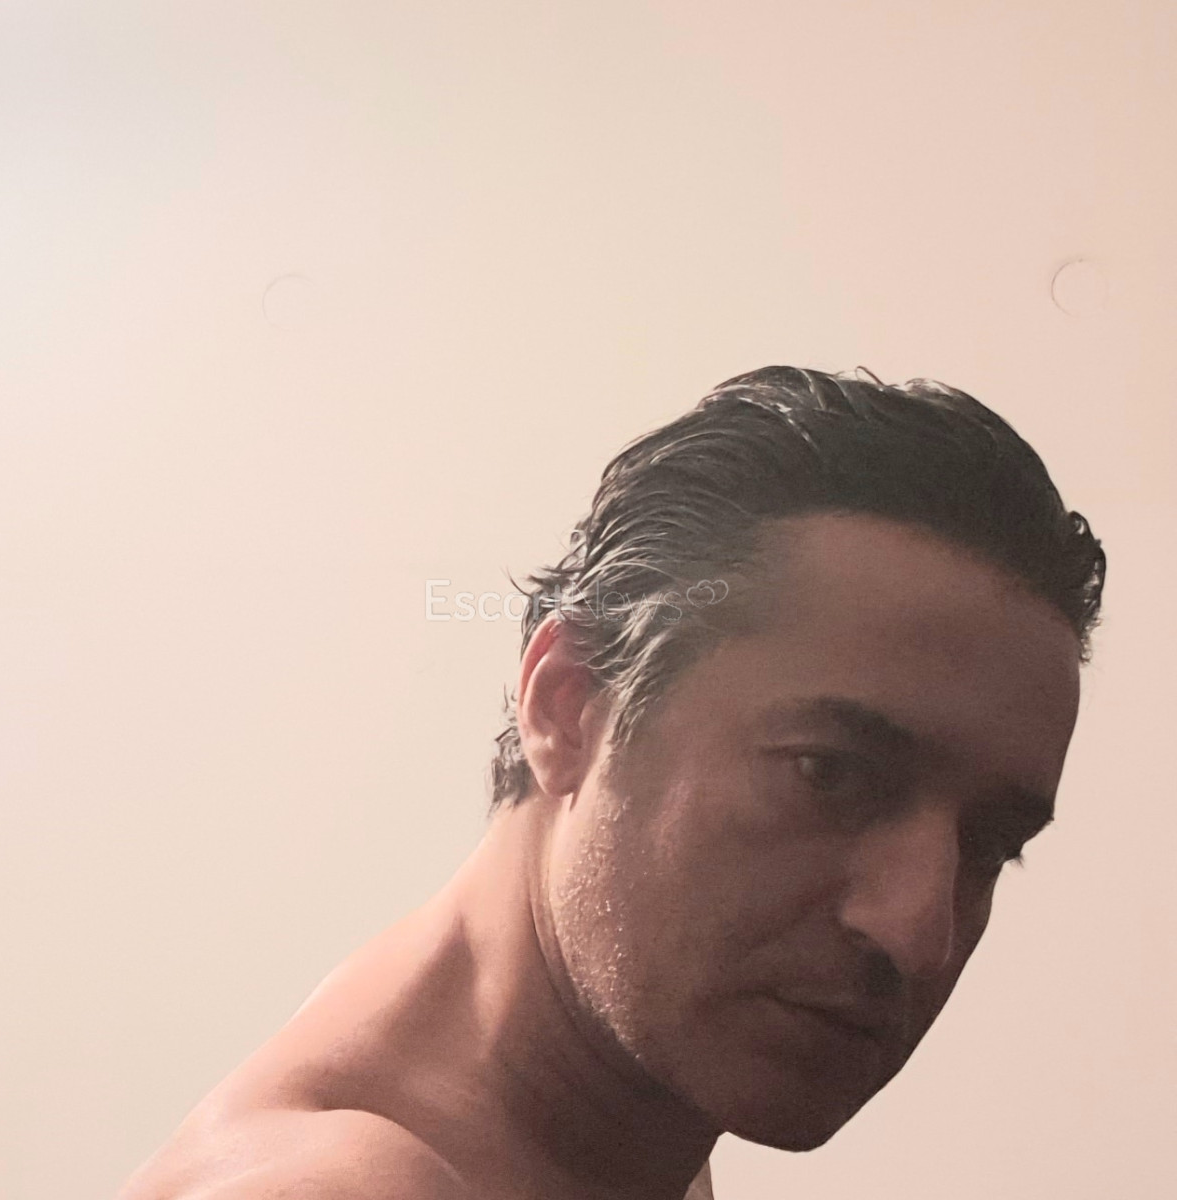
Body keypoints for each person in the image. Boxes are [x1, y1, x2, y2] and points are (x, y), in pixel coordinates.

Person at [116, 365, 1105, 1200]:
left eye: (990, 845)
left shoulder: (627, 1113)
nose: (919, 932)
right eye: (830, 776)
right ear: (569, 706)